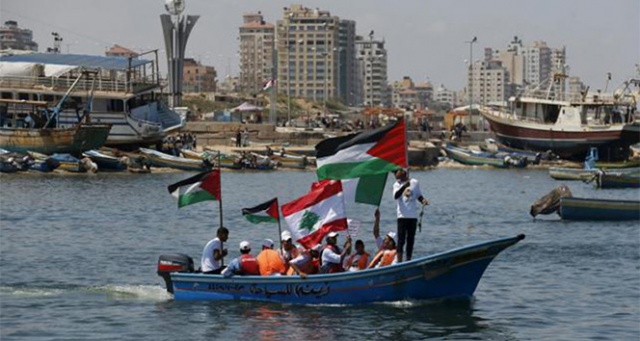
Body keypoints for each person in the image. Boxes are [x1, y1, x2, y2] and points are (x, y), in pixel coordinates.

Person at [392, 168, 428, 262]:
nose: (395, 175)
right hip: (402, 216)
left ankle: (408, 259)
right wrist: (404, 187)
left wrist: (423, 201)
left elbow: (418, 195)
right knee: (401, 240)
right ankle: (399, 261)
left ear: (403, 172)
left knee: (410, 239)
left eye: (396, 172)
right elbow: (396, 196)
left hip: (412, 216)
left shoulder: (415, 182)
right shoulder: (396, 184)